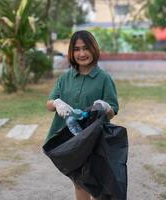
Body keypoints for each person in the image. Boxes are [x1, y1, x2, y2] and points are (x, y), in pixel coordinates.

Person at [45, 30, 119, 200]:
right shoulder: (65, 78)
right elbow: (49, 103)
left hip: (95, 140)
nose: (82, 53)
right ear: (71, 52)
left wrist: (105, 107)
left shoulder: (104, 79)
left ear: (94, 49)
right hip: (71, 142)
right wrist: (57, 103)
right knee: (79, 182)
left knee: (98, 183)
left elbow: (113, 110)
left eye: (86, 48)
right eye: (77, 49)